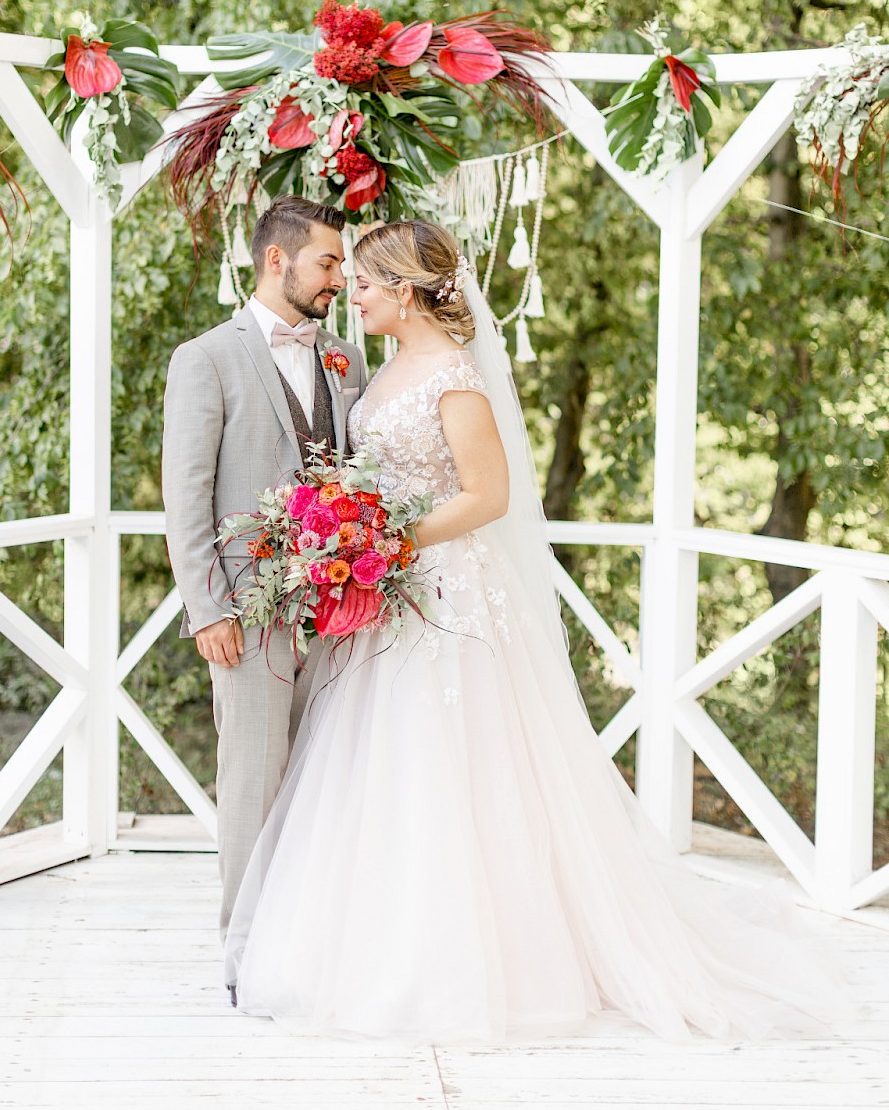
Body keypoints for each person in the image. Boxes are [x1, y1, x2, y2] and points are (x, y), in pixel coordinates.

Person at [220, 216, 860, 1046]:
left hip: (448, 597)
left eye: (369, 281)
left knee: (459, 769)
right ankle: (379, 952)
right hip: (389, 598)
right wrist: (358, 537)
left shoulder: (453, 373)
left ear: (407, 289)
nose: (354, 291)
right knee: (382, 769)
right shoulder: (378, 375)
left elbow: (489, 495)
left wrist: (382, 542)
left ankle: (482, 963)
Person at [160, 194, 367, 956]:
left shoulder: (345, 354)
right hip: (246, 610)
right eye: (328, 261)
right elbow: (184, 492)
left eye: (340, 264)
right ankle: (244, 947)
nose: (338, 277)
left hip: (344, 600)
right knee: (251, 774)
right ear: (276, 260)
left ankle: (310, 934)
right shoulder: (206, 357)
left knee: (326, 767)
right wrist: (207, 608)